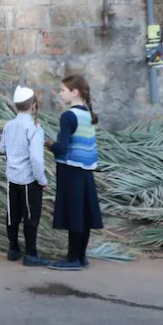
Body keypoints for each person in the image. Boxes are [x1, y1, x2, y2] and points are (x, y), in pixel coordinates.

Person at [45, 75, 103, 271]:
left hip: (70, 170)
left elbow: (62, 148)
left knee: (74, 214)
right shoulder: (88, 114)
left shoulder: (68, 116)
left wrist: (49, 145)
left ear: (74, 92)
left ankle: (72, 259)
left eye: (63, 90)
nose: (60, 93)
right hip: (86, 171)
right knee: (84, 213)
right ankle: (81, 255)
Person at [0, 86, 49, 267]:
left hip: (12, 178)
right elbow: (36, 159)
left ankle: (13, 249)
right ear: (34, 106)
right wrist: (42, 180)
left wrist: (12, 156)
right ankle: (31, 254)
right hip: (29, 180)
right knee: (30, 216)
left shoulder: (8, 125)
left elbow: (2, 149)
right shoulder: (34, 129)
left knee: (13, 213)